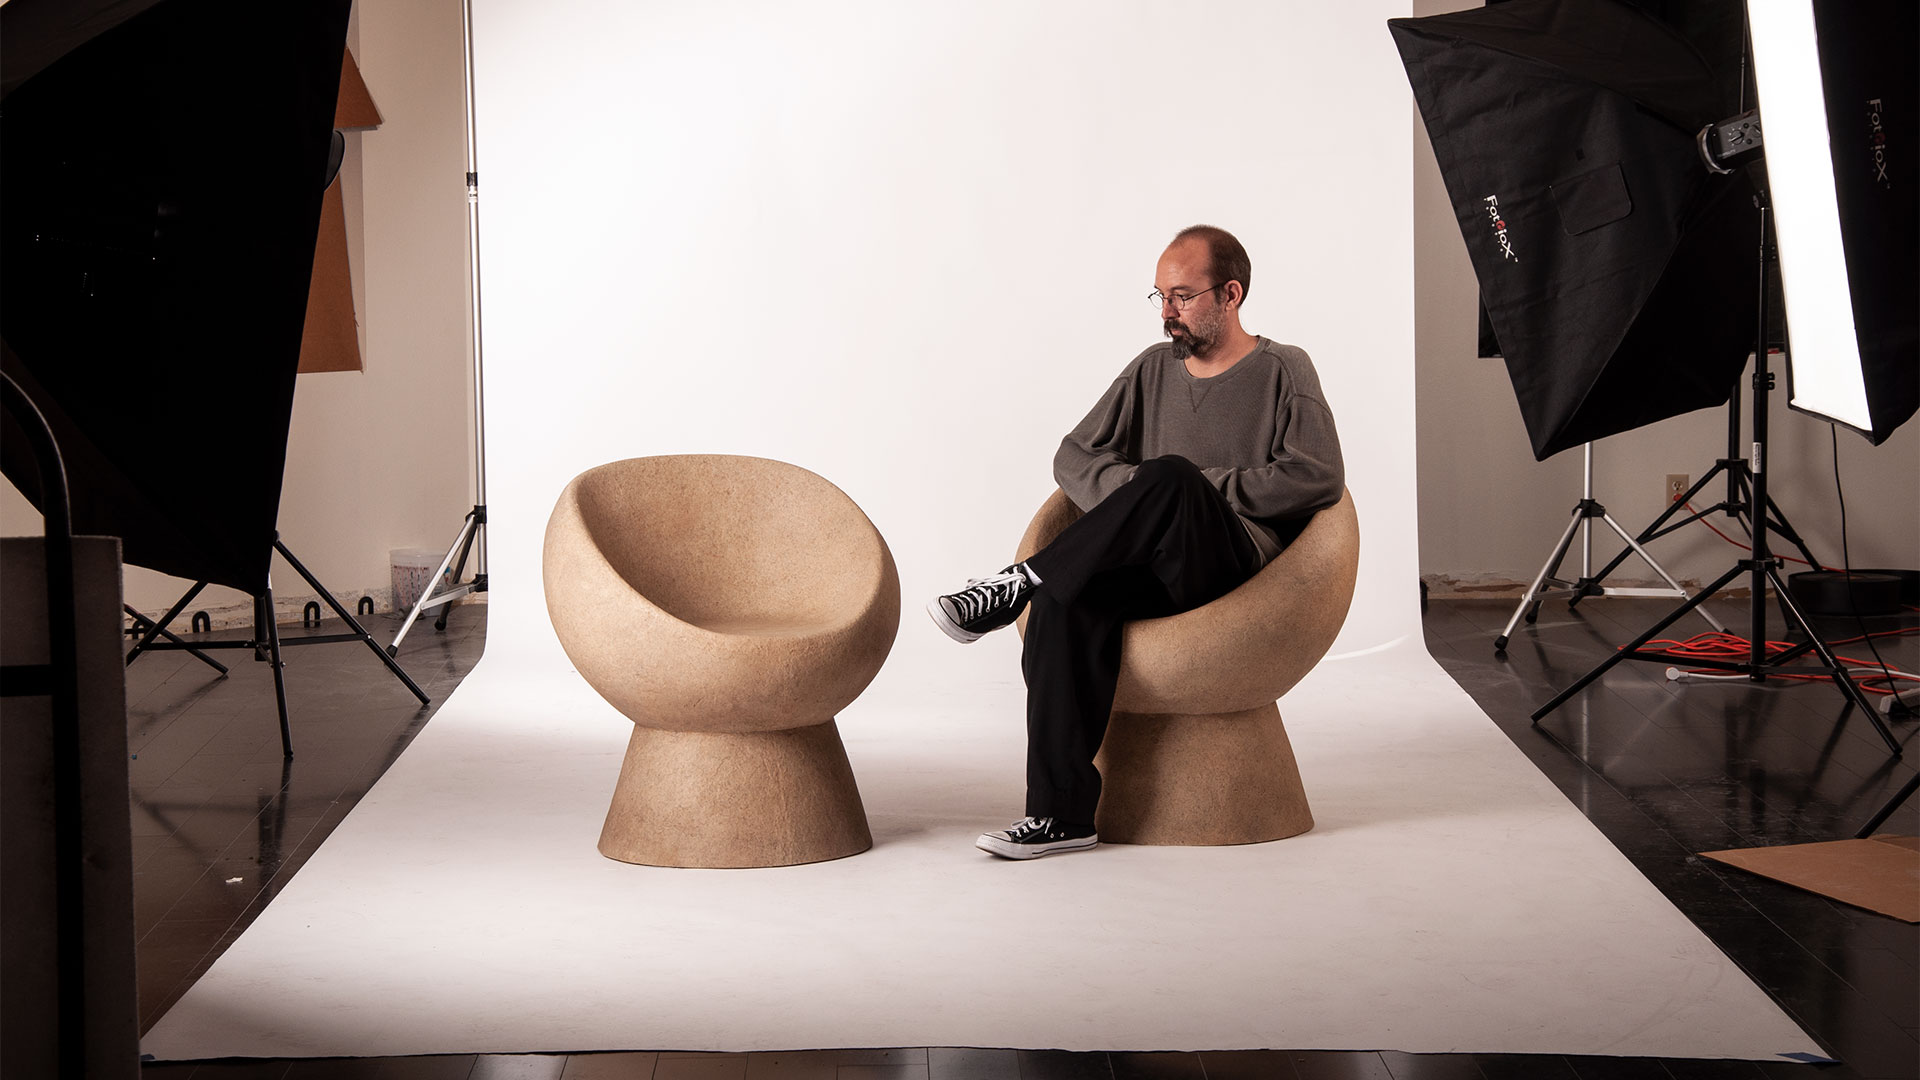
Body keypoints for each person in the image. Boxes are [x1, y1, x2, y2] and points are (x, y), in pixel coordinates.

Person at [928, 225, 1346, 859]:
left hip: (1236, 569)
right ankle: (1060, 816)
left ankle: (1020, 580)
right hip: (1154, 569)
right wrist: (1137, 489)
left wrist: (1199, 487)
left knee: (1173, 475)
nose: (1167, 311)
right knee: (1066, 601)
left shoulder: (1284, 367)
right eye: (1159, 296)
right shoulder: (1152, 369)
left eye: (1183, 296)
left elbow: (1318, 475)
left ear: (1230, 294)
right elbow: (1073, 455)